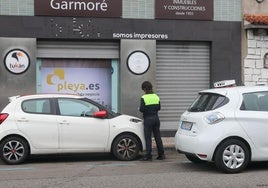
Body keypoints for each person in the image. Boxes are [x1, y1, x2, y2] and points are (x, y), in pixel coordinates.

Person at [139, 81, 165, 161]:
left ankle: (148, 155)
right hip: (156, 119)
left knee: (148, 138)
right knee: (158, 137)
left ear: (144, 89)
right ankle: (161, 154)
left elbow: (142, 109)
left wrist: (142, 109)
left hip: (148, 119)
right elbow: (159, 108)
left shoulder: (144, 97)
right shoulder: (156, 97)